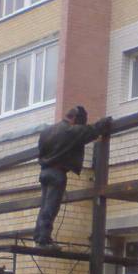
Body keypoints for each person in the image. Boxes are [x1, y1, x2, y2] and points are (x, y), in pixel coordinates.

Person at [33, 105, 110, 246]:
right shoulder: (70, 131)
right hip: (57, 173)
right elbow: (92, 130)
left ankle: (39, 235)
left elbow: (41, 151)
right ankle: (44, 239)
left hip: (44, 172)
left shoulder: (46, 131)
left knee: (44, 206)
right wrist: (105, 122)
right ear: (75, 119)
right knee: (51, 208)